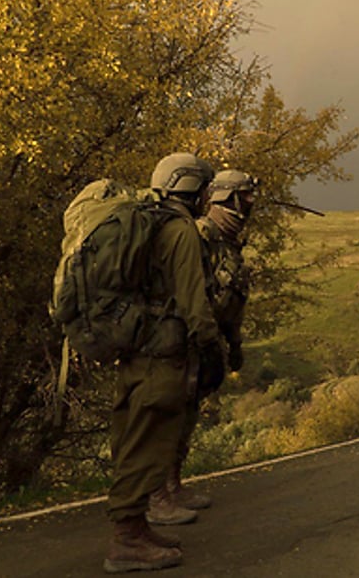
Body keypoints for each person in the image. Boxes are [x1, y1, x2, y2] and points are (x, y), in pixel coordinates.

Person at [104, 153, 219, 573]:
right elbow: (194, 303)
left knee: (130, 438)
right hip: (162, 355)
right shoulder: (179, 231)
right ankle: (126, 540)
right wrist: (211, 346)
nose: (208, 196)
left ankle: (136, 529)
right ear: (189, 187)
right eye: (204, 187)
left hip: (132, 351)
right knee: (149, 444)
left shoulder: (142, 224)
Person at [165, 170, 258, 510]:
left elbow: (233, 299)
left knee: (188, 414)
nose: (247, 208)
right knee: (172, 415)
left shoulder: (230, 245)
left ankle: (173, 484)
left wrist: (234, 346)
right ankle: (158, 491)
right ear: (226, 199)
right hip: (183, 342)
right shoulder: (199, 235)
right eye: (243, 200)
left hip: (207, 343)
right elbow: (187, 292)